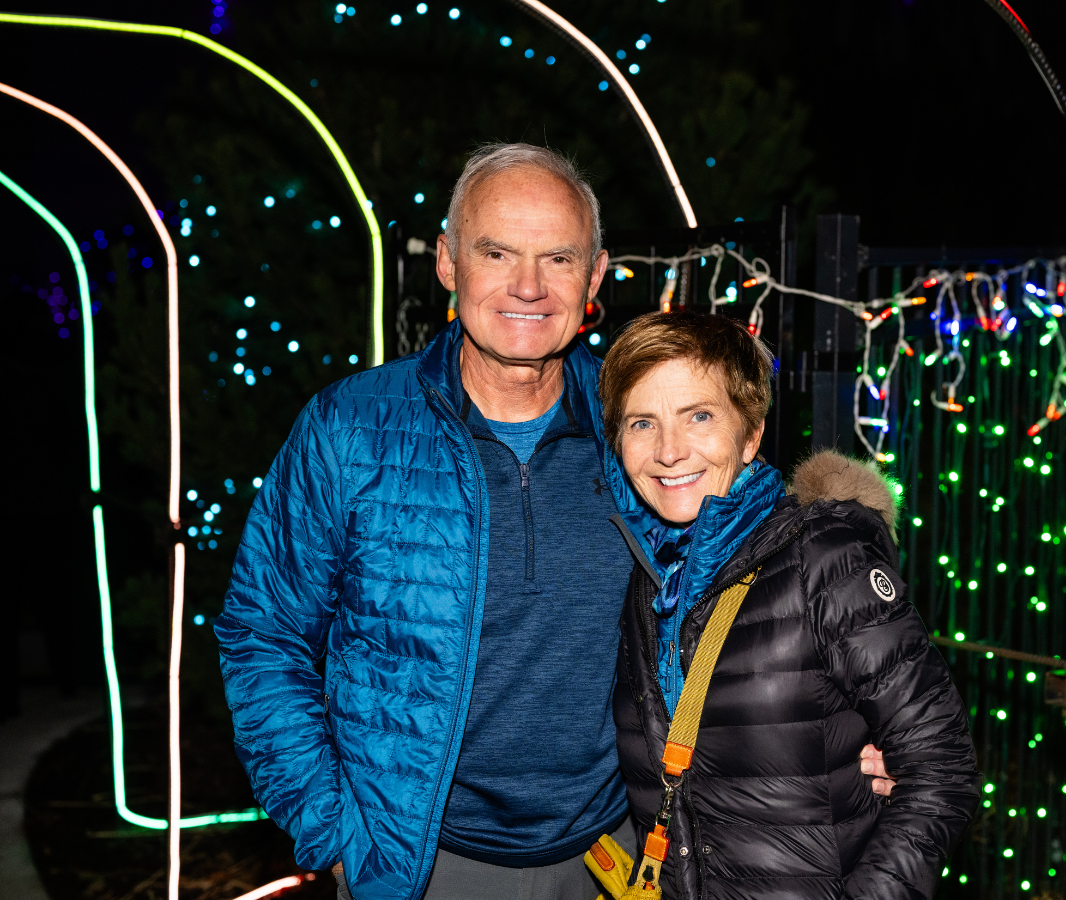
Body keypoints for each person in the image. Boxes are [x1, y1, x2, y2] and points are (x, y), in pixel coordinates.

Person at [215, 143, 894, 900]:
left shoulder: (634, 429)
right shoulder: (350, 429)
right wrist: (336, 833)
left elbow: (761, 568)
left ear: (596, 276)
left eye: (559, 259)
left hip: (622, 854)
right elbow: (262, 633)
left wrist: (849, 724)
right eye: (496, 252)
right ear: (447, 261)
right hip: (416, 866)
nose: (528, 287)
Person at [596, 310, 980, 899]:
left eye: (699, 416)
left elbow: (941, 769)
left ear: (750, 434)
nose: (669, 451)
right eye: (642, 423)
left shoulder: (823, 558)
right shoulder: (646, 575)